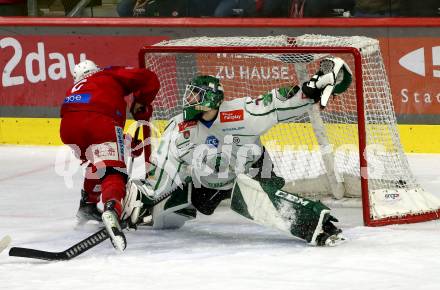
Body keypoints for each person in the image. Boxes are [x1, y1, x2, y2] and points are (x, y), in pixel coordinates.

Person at [124, 57, 352, 247]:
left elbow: (276, 104)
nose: (190, 99)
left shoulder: (240, 114)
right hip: (210, 181)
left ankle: (317, 223)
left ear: (212, 100)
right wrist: (149, 196)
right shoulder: (179, 127)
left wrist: (309, 92)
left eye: (197, 95)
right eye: (190, 94)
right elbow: (164, 165)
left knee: (248, 196)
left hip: (254, 169)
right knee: (173, 210)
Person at [60, 60, 160, 252]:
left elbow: (89, 120)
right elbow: (149, 78)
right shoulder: (108, 73)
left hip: (69, 127)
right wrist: (141, 101)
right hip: (99, 121)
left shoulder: (75, 88)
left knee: (97, 162)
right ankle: (112, 208)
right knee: (113, 171)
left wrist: (130, 143)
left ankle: (88, 204)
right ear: (95, 70)